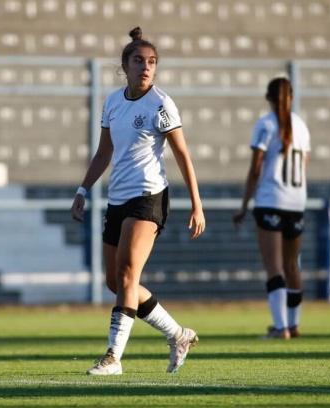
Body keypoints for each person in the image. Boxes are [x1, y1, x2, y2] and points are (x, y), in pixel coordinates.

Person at [71, 27, 205, 374]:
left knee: (129, 276)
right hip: (117, 199)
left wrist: (197, 203)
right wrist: (83, 190)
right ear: (124, 66)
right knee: (116, 283)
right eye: (138, 61)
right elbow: (104, 152)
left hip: (149, 197)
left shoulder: (161, 103)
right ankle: (178, 334)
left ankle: (113, 357)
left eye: (152, 62)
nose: (146, 67)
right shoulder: (113, 102)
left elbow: (183, 155)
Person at [233, 77, 311, 339]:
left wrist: (244, 205)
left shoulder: (265, 124)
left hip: (270, 201)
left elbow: (255, 170)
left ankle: (280, 328)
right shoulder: (302, 126)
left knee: (274, 267)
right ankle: (294, 324)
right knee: (292, 266)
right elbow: (304, 166)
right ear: (291, 97)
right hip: (296, 203)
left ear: (268, 98)